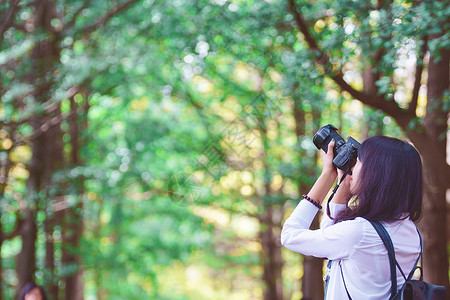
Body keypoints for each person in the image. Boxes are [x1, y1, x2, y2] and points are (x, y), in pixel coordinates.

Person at [281, 136, 423, 299]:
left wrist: (327, 177)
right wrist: (344, 185)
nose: (354, 168)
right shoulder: (412, 232)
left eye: (359, 162)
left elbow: (289, 236)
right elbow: (333, 244)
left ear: (375, 174)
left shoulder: (359, 233)